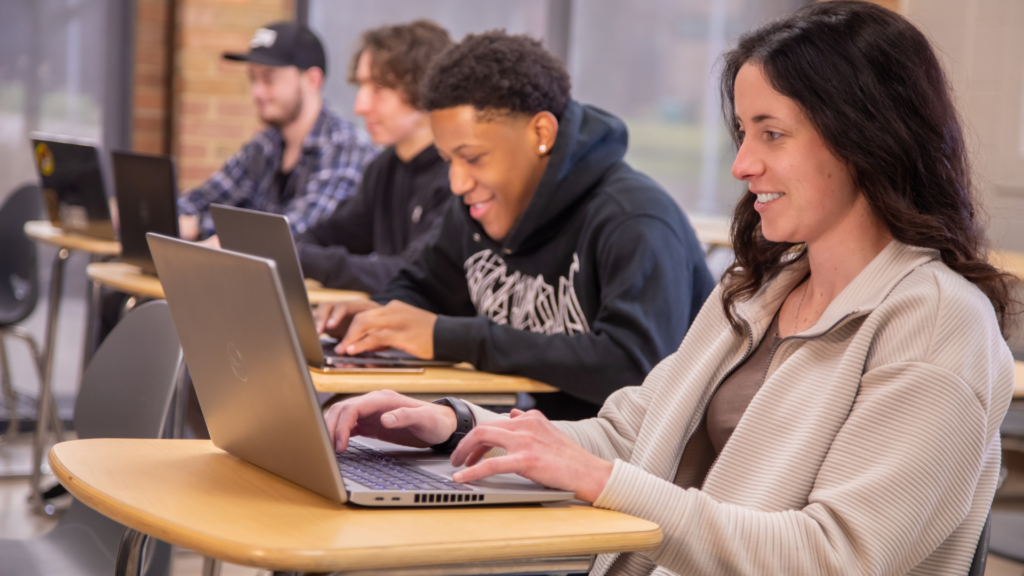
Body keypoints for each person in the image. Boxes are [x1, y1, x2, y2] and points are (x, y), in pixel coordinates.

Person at [321, 3, 1018, 574]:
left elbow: (833, 558)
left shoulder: (935, 327)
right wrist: (459, 429)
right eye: (743, 133)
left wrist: (600, 483)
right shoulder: (756, 292)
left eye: (771, 134)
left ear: (867, 136)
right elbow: (633, 433)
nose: (743, 164)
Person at [317, 31, 716, 420]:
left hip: (628, 475)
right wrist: (384, 316)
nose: (458, 182)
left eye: (472, 157)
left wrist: (451, 337)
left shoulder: (635, 220)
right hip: (533, 444)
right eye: (448, 160)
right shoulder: (472, 210)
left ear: (540, 134)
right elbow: (423, 287)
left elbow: (634, 368)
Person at [177, 21, 377, 241]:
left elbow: (292, 232)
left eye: (269, 79)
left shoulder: (347, 148)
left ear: (312, 80)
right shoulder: (264, 146)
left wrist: (199, 226)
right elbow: (200, 200)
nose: (256, 92)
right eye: (253, 78)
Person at [295, 21, 454, 293]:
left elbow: (411, 274)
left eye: (378, 89)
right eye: (361, 87)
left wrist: (303, 259)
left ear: (425, 87)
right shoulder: (384, 168)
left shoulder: (457, 175)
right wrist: (294, 251)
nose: (360, 106)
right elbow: (326, 235)